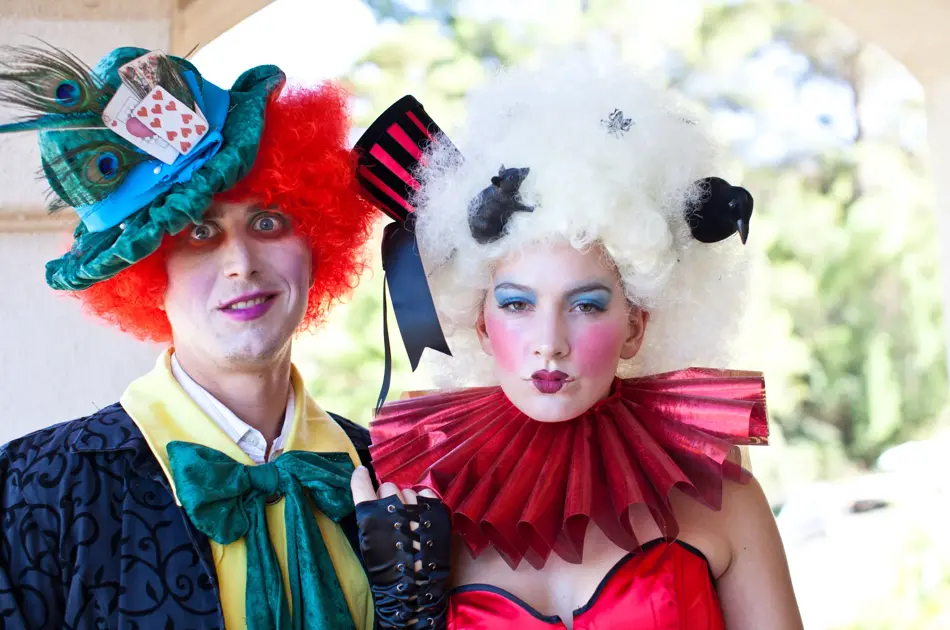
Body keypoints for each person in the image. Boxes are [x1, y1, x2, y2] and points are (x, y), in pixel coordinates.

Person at [0, 43, 449, 629]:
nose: (241, 261)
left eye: (268, 222)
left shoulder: (397, 477)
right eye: (199, 231)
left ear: (316, 244)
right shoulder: (33, 491)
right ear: (147, 268)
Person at [353, 53, 804, 629]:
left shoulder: (721, 497)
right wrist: (407, 618)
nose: (550, 343)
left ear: (635, 327)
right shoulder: (426, 502)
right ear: (481, 324)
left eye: (586, 304)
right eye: (517, 304)